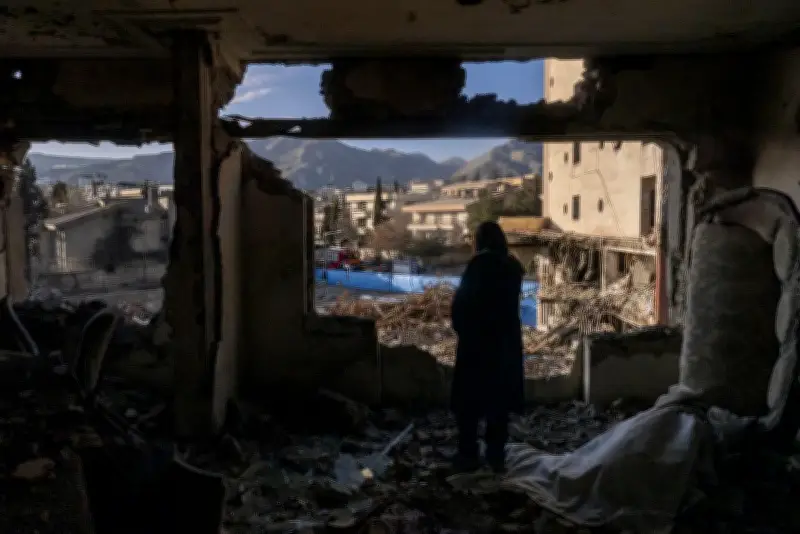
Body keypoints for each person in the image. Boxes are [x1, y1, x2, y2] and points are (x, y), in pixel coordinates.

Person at [451, 221, 525, 473]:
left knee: (469, 403)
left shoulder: (479, 265)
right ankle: (495, 456)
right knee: (498, 404)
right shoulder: (512, 267)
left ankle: (468, 454)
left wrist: (464, 329)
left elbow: (462, 306)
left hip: (477, 346)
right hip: (504, 347)